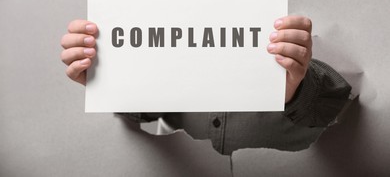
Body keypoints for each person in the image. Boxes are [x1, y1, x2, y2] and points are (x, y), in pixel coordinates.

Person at [60, 16, 351, 155]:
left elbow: (337, 105)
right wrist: (111, 80)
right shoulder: (169, 43)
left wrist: (294, 88)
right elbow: (148, 114)